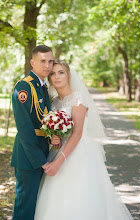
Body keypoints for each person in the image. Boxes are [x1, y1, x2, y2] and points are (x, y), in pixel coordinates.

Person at [34, 59, 134, 220]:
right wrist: (54, 137)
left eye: (61, 72)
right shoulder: (53, 102)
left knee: (80, 198)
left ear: (68, 75)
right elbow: (57, 130)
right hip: (58, 151)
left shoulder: (78, 99)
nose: (57, 77)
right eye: (52, 73)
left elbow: (77, 134)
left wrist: (59, 162)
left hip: (79, 155)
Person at [11, 45, 60, 220]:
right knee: (25, 206)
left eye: (50, 61)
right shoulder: (24, 87)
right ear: (32, 62)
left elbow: (43, 121)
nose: (47, 65)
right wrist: (40, 161)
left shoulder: (42, 86)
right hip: (28, 156)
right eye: (42, 61)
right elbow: (24, 129)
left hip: (41, 152)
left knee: (35, 205)